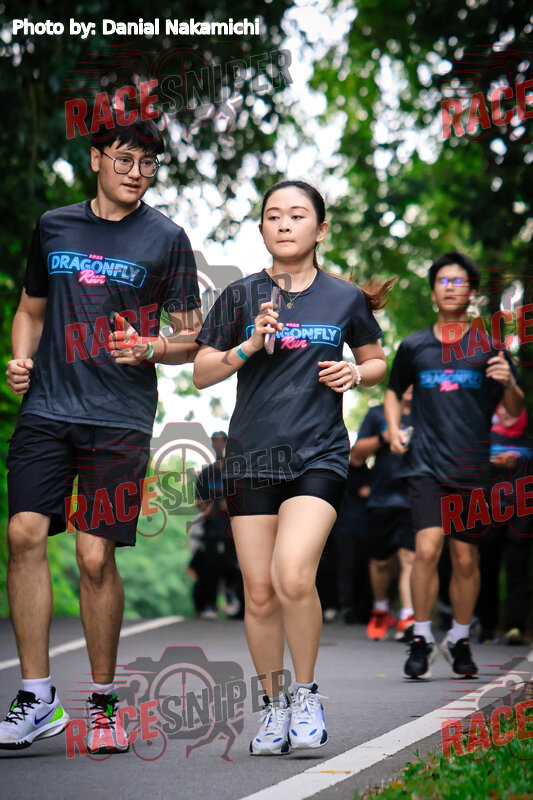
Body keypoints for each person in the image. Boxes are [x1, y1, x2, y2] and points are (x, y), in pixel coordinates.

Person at [0, 111, 201, 752]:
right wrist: (20, 358)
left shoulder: (167, 238)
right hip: (48, 407)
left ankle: (105, 703)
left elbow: (192, 336)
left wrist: (152, 347)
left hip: (119, 418)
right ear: (95, 158)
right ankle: (37, 698)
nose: (137, 173)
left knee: (94, 556)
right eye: (124, 159)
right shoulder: (53, 226)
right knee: (23, 533)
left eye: (148, 164)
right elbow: (30, 310)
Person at [193, 180, 389, 755]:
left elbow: (377, 361)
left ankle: (306, 695)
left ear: (320, 229)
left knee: (293, 576)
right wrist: (250, 345)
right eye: (273, 215)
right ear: (261, 229)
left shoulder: (344, 298)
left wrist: (356, 374)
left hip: (318, 454)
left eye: (297, 215)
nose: (284, 223)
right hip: (251, 458)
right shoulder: (239, 297)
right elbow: (202, 372)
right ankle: (274, 706)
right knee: (258, 593)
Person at [385, 252, 524, 680]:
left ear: (473, 292)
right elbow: (393, 390)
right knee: (427, 548)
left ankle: (460, 638)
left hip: (472, 468)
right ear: (432, 292)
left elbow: (514, 409)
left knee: (465, 559)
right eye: (442, 280)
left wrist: (510, 382)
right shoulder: (414, 346)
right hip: (425, 464)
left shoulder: (489, 347)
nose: (450, 287)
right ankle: (422, 636)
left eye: (458, 281)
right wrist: (394, 429)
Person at [351, 387, 416, 642]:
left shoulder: (426, 413)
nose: (409, 386)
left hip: (415, 497)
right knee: (380, 562)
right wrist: (383, 437)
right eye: (404, 381)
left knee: (410, 558)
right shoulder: (378, 414)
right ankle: (380, 608)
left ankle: (407, 616)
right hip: (382, 499)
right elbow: (356, 455)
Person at [476, 404, 532, 644]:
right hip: (489, 512)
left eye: (513, 410)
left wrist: (518, 462)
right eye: (504, 409)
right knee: (487, 569)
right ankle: (486, 628)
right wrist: (494, 462)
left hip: (522, 516)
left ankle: (514, 626)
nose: (508, 414)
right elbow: (470, 466)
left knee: (517, 570)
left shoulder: (528, 440)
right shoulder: (484, 436)